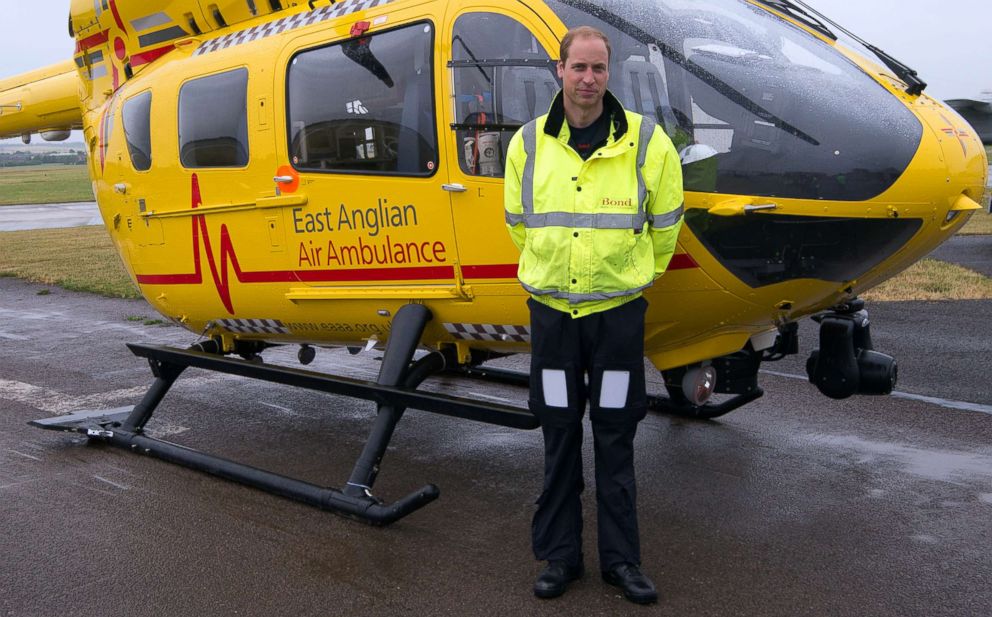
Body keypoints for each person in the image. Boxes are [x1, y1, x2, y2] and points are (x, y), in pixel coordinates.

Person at [503, 26, 684, 605]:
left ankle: (621, 562)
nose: (588, 80)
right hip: (553, 320)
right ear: (559, 70)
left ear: (611, 73)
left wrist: (634, 277)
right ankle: (559, 558)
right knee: (558, 436)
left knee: (615, 437)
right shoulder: (527, 144)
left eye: (598, 69)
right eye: (578, 68)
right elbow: (518, 226)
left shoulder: (649, 143)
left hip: (615, 321)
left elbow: (666, 225)